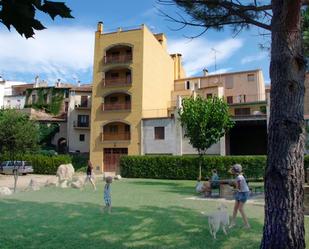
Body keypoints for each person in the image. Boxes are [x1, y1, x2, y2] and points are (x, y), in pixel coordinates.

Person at [229, 164, 250, 229]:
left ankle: (247, 225)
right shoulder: (238, 176)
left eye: (232, 169)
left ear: (235, 170)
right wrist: (235, 189)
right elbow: (238, 189)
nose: (231, 170)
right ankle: (233, 223)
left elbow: (239, 188)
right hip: (240, 192)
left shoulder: (239, 177)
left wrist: (232, 189)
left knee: (240, 209)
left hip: (244, 193)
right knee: (235, 208)